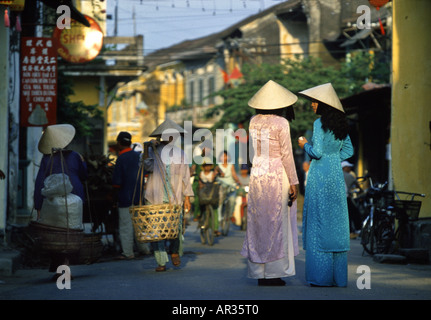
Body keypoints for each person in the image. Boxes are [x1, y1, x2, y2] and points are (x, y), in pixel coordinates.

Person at [240, 80, 299, 286]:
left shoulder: (253, 120)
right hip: (276, 174)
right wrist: (294, 182)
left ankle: (259, 272)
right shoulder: (281, 123)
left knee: (258, 223)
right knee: (277, 222)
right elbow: (287, 154)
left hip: (258, 173)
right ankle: (274, 272)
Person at [297, 83, 354, 287]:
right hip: (336, 176)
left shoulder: (319, 124)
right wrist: (333, 157)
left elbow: (317, 152)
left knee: (318, 222)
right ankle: (338, 278)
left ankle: (321, 278)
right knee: (336, 224)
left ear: (324, 105)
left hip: (320, 176)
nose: (312, 105)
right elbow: (348, 151)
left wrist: (305, 144)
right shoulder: (341, 125)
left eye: (315, 102)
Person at [34, 124, 87, 280]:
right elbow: (84, 176)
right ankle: (66, 266)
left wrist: (38, 205)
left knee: (55, 233)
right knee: (71, 232)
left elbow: (40, 182)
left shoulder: (46, 158)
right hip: (75, 198)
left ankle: (60, 268)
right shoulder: (76, 156)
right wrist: (83, 163)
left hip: (53, 201)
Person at [142, 119, 193, 272]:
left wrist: (187, 198)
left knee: (176, 227)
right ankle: (161, 261)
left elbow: (185, 177)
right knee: (157, 230)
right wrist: (146, 149)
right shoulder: (153, 151)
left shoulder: (181, 154)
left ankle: (175, 251)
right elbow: (146, 166)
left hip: (175, 197)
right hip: (154, 196)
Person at [112, 131, 150, 260]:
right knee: (140, 224)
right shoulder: (138, 156)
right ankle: (144, 249)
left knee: (126, 226)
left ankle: (128, 252)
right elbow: (145, 175)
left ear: (119, 143)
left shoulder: (121, 158)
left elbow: (117, 183)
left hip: (125, 197)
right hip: (139, 196)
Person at [216, 150, 241, 231]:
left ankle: (230, 215)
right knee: (219, 201)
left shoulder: (231, 166)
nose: (224, 157)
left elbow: (234, 175)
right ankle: (219, 218)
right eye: (222, 156)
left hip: (230, 185)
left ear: (228, 157)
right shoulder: (218, 166)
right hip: (221, 185)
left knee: (233, 200)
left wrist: (238, 181)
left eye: (225, 156)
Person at [198, 157, 220, 236]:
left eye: (209, 165)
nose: (207, 167)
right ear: (203, 167)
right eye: (206, 165)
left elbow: (214, 181)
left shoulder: (212, 173)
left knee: (215, 210)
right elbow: (200, 184)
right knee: (201, 207)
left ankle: (215, 228)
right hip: (203, 194)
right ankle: (201, 220)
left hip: (211, 194)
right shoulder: (201, 174)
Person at [342, 161, 361, 238]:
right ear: (344, 168)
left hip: (339, 198)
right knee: (352, 213)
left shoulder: (335, 175)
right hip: (346, 197)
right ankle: (355, 230)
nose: (349, 168)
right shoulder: (349, 176)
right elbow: (356, 185)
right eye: (348, 167)